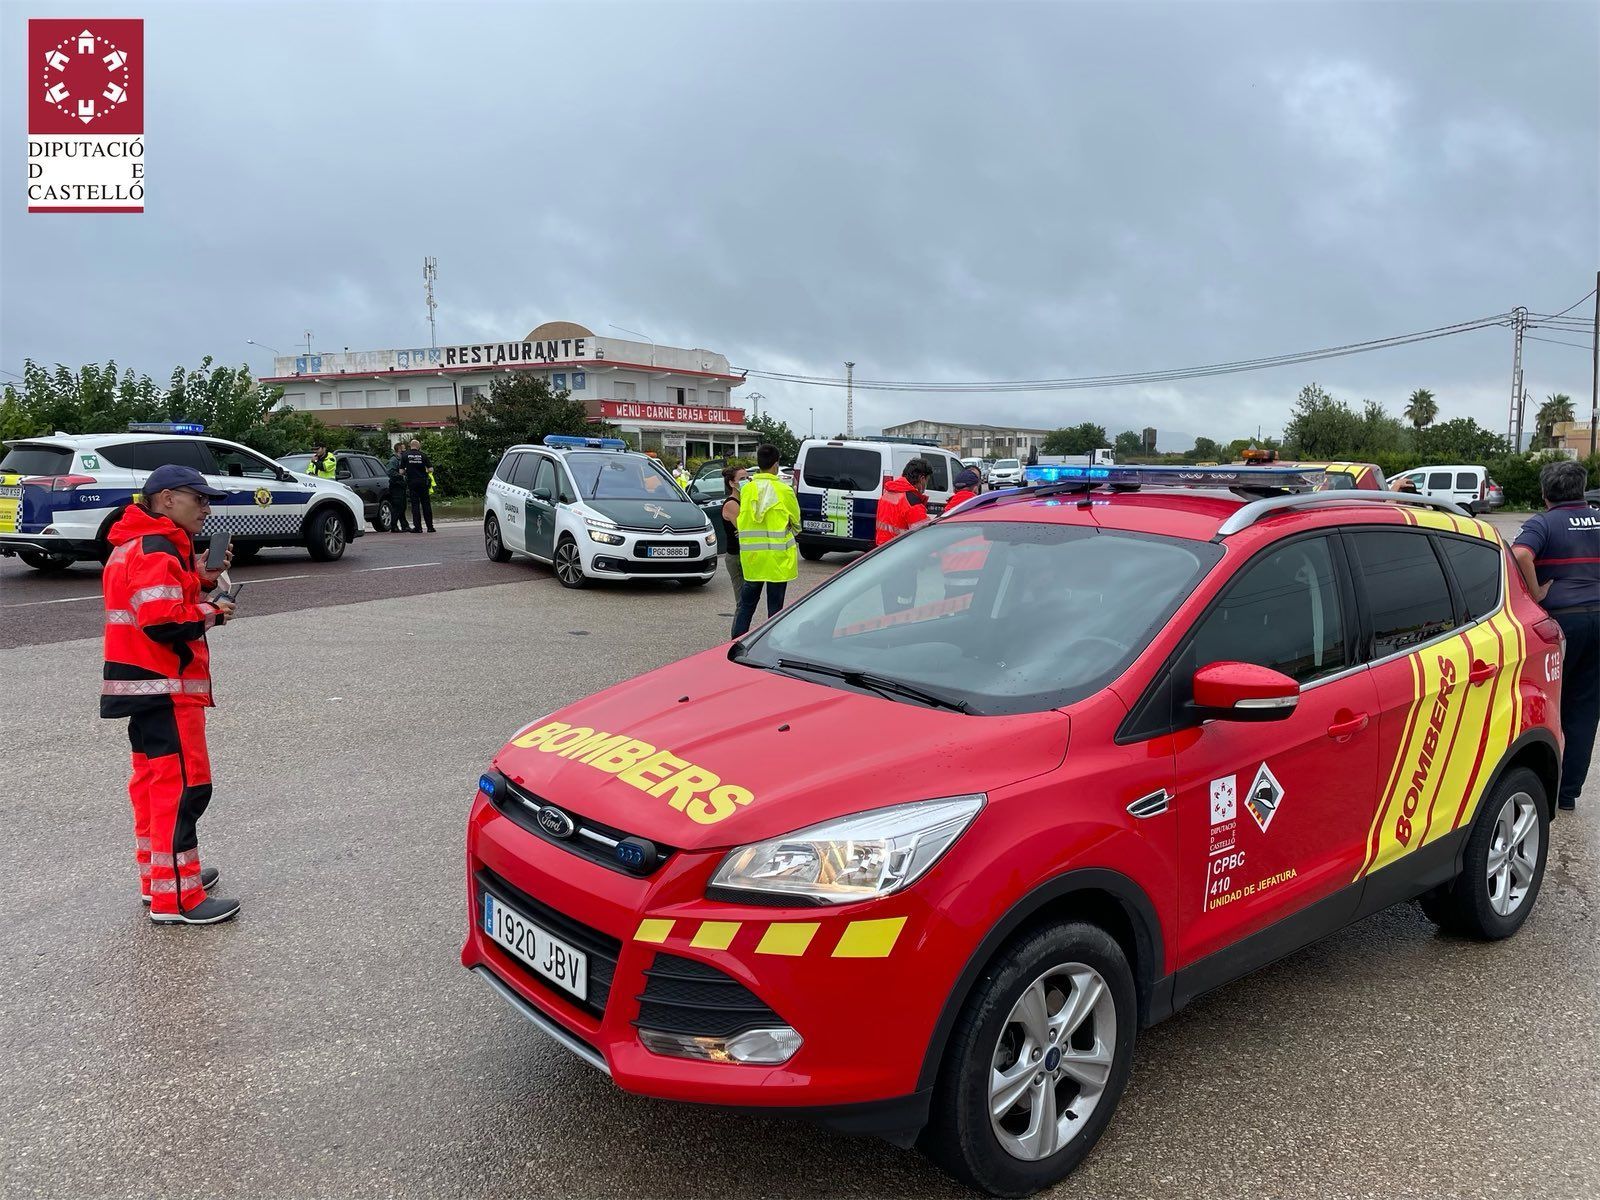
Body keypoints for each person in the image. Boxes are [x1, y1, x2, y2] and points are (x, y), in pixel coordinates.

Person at [101, 464, 240, 924]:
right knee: (183, 790)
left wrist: (199, 578)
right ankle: (179, 899)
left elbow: (156, 603)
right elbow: (163, 622)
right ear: (165, 499)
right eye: (197, 498)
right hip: (166, 689)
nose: (205, 507)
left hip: (144, 688)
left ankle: (161, 880)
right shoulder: (156, 547)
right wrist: (214, 610)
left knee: (153, 788)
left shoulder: (137, 543)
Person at [1512, 459, 1600, 812]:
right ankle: (1568, 795)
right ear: (1580, 490)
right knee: (1586, 707)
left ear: (1545, 493)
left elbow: (1520, 553)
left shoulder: (1543, 523)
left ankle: (1547, 783)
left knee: (1552, 703)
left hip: (1564, 624)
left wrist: (1535, 594)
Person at [733, 444, 800, 638]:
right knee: (775, 611)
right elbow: (796, 521)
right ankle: (770, 645)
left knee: (746, 607)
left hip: (753, 558)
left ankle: (734, 643)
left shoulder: (747, 489)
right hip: (778, 560)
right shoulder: (784, 490)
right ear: (776, 464)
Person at [875, 458, 932, 545]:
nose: (926, 485)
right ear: (922, 479)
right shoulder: (912, 501)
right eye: (927, 480)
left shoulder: (887, 494)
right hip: (901, 551)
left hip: (881, 550)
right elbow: (924, 536)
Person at [720, 464, 750, 623]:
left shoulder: (745, 501)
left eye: (748, 478)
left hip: (745, 555)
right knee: (742, 602)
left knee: (748, 601)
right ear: (732, 483)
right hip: (735, 557)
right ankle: (737, 638)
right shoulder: (732, 504)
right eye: (742, 479)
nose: (746, 482)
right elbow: (745, 528)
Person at [402, 438, 435, 533]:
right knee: (426, 504)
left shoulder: (405, 455)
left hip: (412, 483)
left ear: (410, 446)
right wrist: (424, 470)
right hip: (423, 482)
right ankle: (430, 527)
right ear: (418, 446)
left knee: (415, 505)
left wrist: (408, 471)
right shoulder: (423, 455)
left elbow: (401, 471)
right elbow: (431, 469)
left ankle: (418, 527)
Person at [385, 443, 411, 532]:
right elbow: (389, 472)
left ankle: (404, 525)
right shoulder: (393, 460)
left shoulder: (401, 459)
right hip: (396, 486)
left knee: (402, 506)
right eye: (403, 449)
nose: (405, 450)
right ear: (399, 449)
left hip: (401, 486)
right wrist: (401, 476)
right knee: (397, 506)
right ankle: (394, 526)